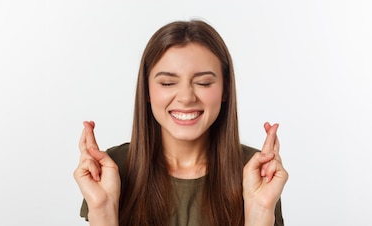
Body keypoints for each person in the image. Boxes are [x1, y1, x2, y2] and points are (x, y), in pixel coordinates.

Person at [73, 19, 288, 226]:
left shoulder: (255, 172)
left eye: (203, 82)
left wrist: (260, 210)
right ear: (147, 91)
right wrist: (102, 210)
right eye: (167, 83)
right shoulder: (114, 168)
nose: (186, 97)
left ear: (225, 89)